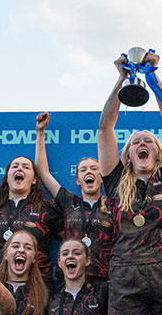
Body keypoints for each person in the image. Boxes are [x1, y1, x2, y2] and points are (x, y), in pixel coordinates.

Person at [97, 50, 162, 315]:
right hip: (126, 275)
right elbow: (105, 128)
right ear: (127, 155)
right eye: (136, 141)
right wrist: (122, 79)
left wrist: (152, 77)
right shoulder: (115, 180)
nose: (143, 143)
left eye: (149, 141)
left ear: (159, 153)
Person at [33, 112, 113, 281]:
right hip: (70, 279)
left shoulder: (114, 204)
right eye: (83, 170)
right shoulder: (69, 201)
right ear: (78, 180)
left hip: (103, 279)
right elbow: (43, 172)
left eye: (93, 169)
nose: (88, 172)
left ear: (102, 178)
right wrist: (40, 133)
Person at [0, 155, 62, 283]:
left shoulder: (46, 209)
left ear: (34, 180)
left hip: (36, 283)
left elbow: (71, 234)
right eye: (15, 166)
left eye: (26, 167)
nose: (19, 169)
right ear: (7, 177)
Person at [0, 230, 50, 315]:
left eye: (28, 248)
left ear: (34, 258)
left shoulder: (45, 294)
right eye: (15, 246)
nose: (21, 250)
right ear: (6, 254)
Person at [47, 238, 109, 315]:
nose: (70, 256)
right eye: (65, 254)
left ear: (87, 260)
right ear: (59, 262)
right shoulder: (51, 299)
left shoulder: (102, 292)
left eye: (77, 253)